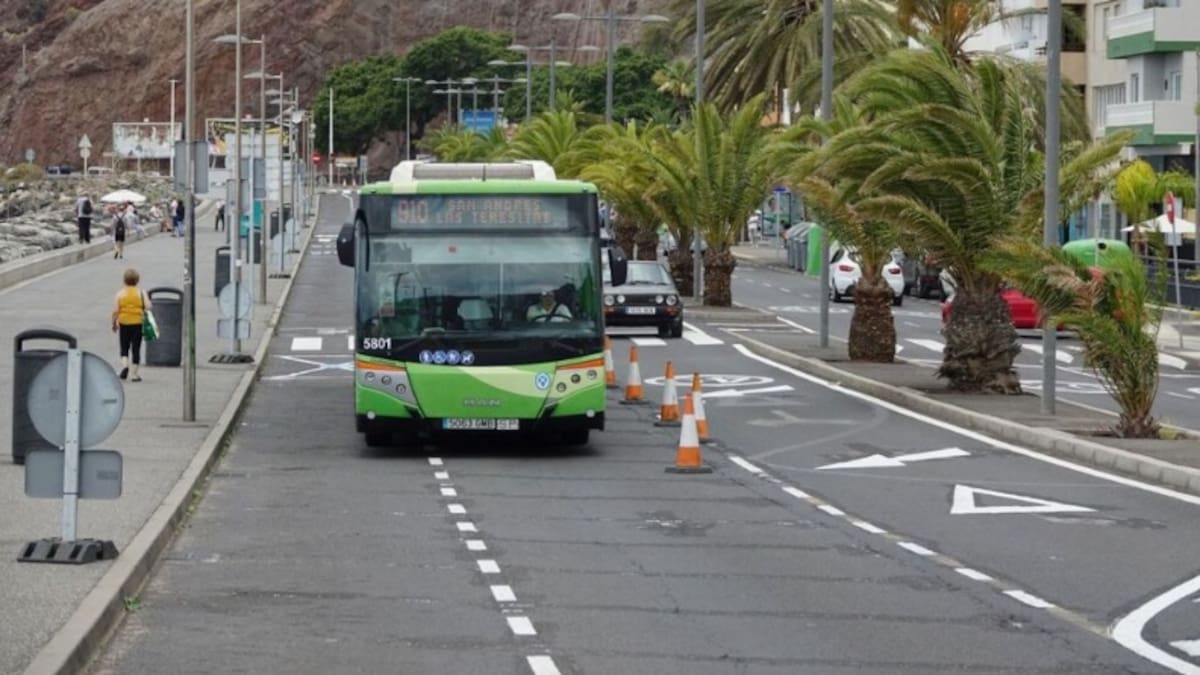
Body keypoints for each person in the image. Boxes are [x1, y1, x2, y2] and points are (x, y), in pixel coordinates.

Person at [111, 268, 152, 382]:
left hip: (124, 323)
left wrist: (114, 323)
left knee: (124, 347)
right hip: (137, 323)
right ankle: (134, 374)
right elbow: (148, 306)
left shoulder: (120, 293)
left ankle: (125, 366)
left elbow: (115, 311)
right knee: (136, 348)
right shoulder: (141, 293)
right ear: (137, 280)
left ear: (124, 280)